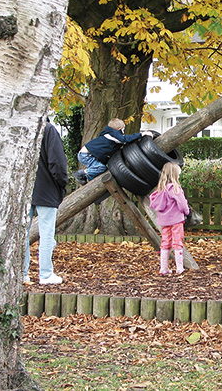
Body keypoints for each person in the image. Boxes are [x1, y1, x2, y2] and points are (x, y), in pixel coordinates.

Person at [24, 119, 69, 285]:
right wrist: (62, 183)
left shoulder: (22, 127)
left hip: (24, 189)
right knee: (47, 233)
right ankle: (45, 273)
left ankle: (22, 273)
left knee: (22, 233)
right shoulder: (48, 130)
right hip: (46, 188)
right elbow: (57, 162)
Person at [73, 118, 153, 184]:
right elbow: (125, 139)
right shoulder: (113, 134)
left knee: (99, 170)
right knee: (101, 168)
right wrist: (141, 134)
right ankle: (80, 173)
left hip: (88, 154)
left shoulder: (110, 135)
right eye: (123, 130)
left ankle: (89, 180)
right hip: (85, 155)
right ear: (119, 129)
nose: (123, 133)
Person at [149, 162, 191, 274]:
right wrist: (186, 211)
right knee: (177, 242)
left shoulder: (160, 190)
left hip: (164, 221)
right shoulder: (175, 188)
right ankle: (179, 268)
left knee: (165, 242)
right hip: (176, 220)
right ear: (174, 175)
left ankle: (164, 268)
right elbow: (182, 204)